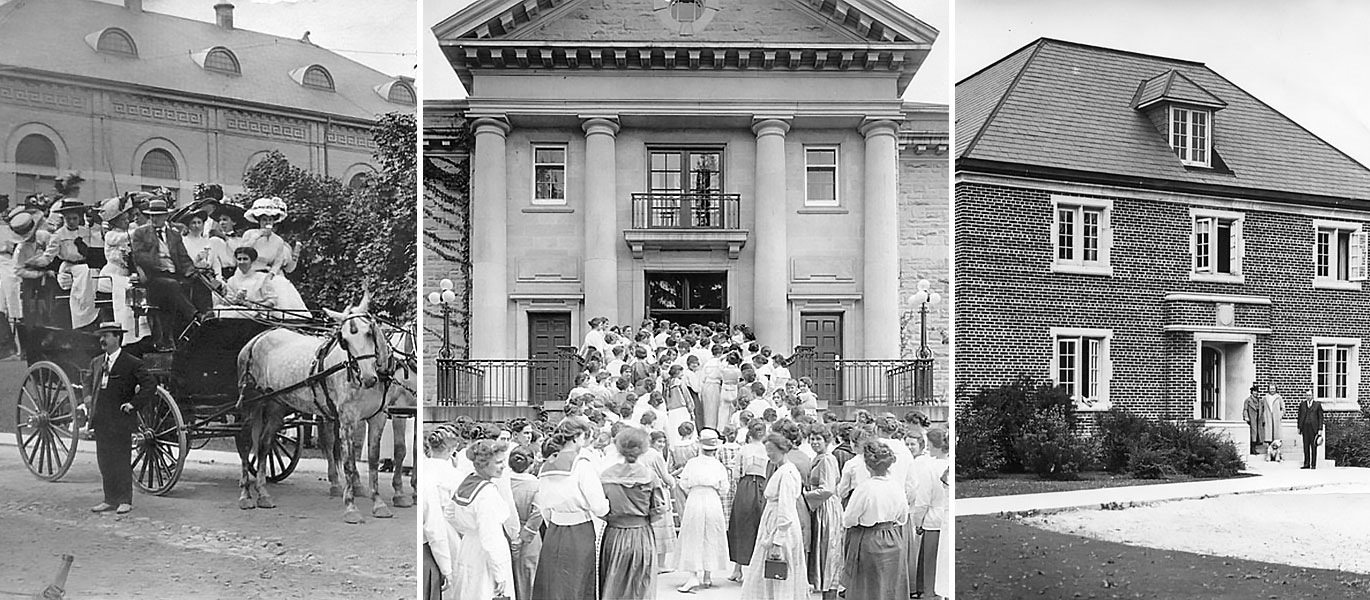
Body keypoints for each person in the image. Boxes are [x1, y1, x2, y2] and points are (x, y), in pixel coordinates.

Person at [532, 418, 610, 599]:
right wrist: (605, 511)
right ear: (575, 437)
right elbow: (598, 505)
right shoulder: (581, 464)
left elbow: (543, 504)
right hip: (579, 529)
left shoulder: (546, 465)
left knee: (553, 581)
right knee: (578, 580)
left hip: (554, 528)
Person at [86, 321, 155, 515]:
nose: (102, 340)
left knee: (121, 460)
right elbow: (87, 380)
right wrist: (88, 396)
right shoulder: (97, 361)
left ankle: (125, 500)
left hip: (120, 420)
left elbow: (150, 385)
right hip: (102, 420)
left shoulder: (131, 363)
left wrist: (134, 404)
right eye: (101, 336)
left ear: (117, 338)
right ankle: (109, 499)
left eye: (106, 336)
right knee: (104, 461)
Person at [130, 198, 207, 349]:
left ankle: (207, 316)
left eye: (157, 216)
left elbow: (183, 257)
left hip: (174, 274)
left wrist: (192, 272)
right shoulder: (141, 233)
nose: (154, 219)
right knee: (172, 285)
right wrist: (158, 262)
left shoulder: (174, 234)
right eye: (151, 216)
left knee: (200, 281)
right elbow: (138, 256)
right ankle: (194, 315)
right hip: (154, 277)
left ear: (165, 216)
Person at [599, 427, 665, 600]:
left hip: (614, 534)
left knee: (613, 585)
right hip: (641, 535)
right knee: (640, 585)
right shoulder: (649, 476)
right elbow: (659, 511)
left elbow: (600, 508)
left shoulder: (606, 475)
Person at [740, 433, 808, 600]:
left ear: (782, 449)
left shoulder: (786, 473)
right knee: (768, 575)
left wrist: (778, 540)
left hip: (780, 527)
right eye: (767, 450)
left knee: (777, 573)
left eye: (771, 450)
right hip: (773, 522)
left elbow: (785, 508)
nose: (768, 454)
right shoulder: (783, 469)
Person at [841, 440, 909, 600]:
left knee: (867, 588)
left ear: (867, 465)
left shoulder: (864, 489)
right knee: (891, 587)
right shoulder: (896, 486)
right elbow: (903, 517)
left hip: (869, 539)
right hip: (893, 540)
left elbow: (849, 519)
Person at [451, 439, 514, 600]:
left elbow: (450, 513)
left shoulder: (468, 482)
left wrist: (469, 530)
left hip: (469, 547)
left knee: (468, 590)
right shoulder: (487, 494)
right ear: (483, 464)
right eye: (499, 462)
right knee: (483, 592)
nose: (503, 466)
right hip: (486, 557)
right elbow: (490, 537)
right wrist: (500, 573)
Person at [675, 428, 730, 593]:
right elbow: (724, 488)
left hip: (696, 498)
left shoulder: (692, 464)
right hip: (712, 499)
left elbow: (683, 483)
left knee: (694, 534)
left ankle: (693, 575)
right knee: (711, 534)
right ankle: (707, 573)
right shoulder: (718, 465)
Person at [239, 197, 307, 318]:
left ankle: (289, 318)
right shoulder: (250, 234)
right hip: (251, 271)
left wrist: (271, 274)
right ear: (259, 221)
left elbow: (278, 261)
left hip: (268, 274)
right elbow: (242, 251)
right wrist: (258, 236)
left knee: (280, 283)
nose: (267, 223)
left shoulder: (278, 240)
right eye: (264, 220)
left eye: (270, 220)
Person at [96, 197, 149, 346]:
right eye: (124, 219)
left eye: (128, 218)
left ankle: (143, 330)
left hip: (126, 274)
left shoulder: (130, 229)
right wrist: (146, 229)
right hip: (112, 276)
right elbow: (127, 237)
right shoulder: (111, 235)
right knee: (129, 290)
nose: (128, 221)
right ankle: (129, 332)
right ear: (115, 221)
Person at [421, 426, 462, 600]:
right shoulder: (456, 476)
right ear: (453, 449)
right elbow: (435, 527)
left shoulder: (423, 469)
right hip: (447, 531)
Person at [728, 420, 770, 582]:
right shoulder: (760, 450)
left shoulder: (744, 450)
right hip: (758, 486)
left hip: (748, 487)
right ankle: (742, 569)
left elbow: (736, 473)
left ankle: (739, 568)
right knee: (755, 524)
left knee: (743, 525)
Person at [805, 424, 844, 598]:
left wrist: (805, 496)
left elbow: (827, 489)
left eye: (818, 439)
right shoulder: (819, 457)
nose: (814, 442)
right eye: (812, 439)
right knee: (822, 552)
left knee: (828, 551)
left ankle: (830, 592)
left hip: (826, 508)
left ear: (826, 441)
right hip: (820, 507)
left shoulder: (827, 459)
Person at [911, 428, 949, 599]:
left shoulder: (929, 467)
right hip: (943, 516)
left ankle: (930, 593)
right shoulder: (946, 464)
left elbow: (923, 500)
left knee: (931, 563)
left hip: (932, 518)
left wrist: (917, 522)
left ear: (932, 445)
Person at [507, 447, 543, 600]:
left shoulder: (502, 483)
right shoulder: (537, 486)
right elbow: (537, 513)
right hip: (529, 537)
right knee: (529, 576)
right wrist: (523, 537)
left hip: (506, 533)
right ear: (532, 464)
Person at [12, 212, 54, 327]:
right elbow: (17, 270)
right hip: (30, 282)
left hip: (48, 279)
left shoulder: (44, 236)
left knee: (49, 307)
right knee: (31, 310)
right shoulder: (21, 249)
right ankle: (33, 332)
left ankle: (48, 324)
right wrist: (37, 274)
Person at [214, 247, 278, 319]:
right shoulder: (232, 280)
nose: (242, 262)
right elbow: (229, 301)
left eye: (245, 259)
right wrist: (235, 299)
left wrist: (254, 306)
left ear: (252, 261)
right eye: (239, 259)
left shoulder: (262, 278)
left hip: (257, 313)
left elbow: (272, 300)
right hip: (237, 313)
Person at [178, 210, 230, 287]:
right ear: (188, 225)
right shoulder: (183, 241)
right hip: (191, 278)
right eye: (193, 223)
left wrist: (218, 278)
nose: (197, 226)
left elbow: (216, 263)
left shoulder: (208, 242)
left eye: (199, 222)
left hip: (208, 278)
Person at [1297, 390, 1324, 469]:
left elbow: (1320, 417)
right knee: (1306, 446)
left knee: (1313, 446)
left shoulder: (1317, 405)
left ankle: (1313, 464)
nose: (1308, 397)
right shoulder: (1302, 404)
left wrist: (1320, 428)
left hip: (1313, 428)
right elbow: (1299, 416)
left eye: (1309, 395)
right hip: (1305, 427)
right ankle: (1306, 463)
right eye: (1307, 395)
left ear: (1312, 396)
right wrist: (1299, 427)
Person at [1242, 384, 1265, 454]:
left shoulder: (1260, 401)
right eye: (1254, 391)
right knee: (1253, 433)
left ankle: (1256, 447)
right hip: (1252, 418)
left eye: (1257, 391)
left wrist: (1263, 419)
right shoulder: (1248, 400)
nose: (1256, 393)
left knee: (1258, 433)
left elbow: (1263, 410)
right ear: (1251, 392)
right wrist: (1246, 417)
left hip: (1258, 418)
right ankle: (1252, 449)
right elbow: (1245, 409)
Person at [1262, 384, 1284, 454]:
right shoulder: (1265, 397)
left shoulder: (1278, 397)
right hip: (1268, 416)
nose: (1272, 390)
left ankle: (1276, 451)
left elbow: (1283, 408)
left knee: (1276, 433)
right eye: (1271, 389)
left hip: (1276, 417)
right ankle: (1269, 450)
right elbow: (1262, 408)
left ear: (1276, 389)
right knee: (1269, 433)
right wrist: (1263, 416)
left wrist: (1280, 415)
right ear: (1268, 389)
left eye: (1273, 389)